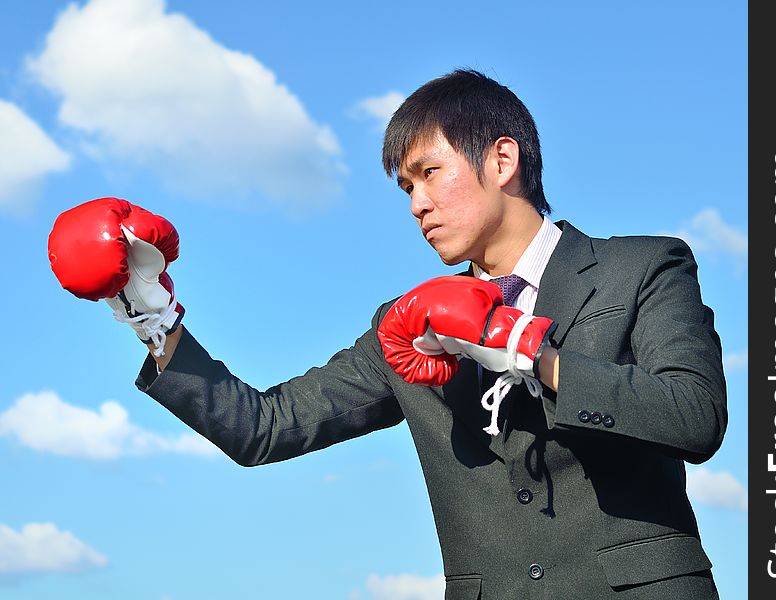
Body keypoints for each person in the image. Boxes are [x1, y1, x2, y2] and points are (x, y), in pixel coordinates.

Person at [48, 69, 727, 599]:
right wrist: (151, 315)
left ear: (502, 159)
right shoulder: (406, 327)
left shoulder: (643, 266)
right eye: (404, 187)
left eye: (429, 173)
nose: (417, 204)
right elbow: (265, 426)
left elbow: (694, 416)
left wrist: (530, 350)